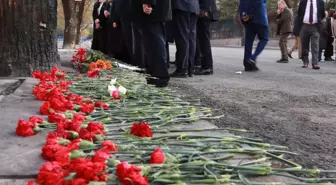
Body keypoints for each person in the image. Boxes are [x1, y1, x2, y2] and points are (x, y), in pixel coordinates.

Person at [131, 0, 171, 87]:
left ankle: (159, 76)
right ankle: (154, 74)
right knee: (152, 43)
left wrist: (147, 2)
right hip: (155, 9)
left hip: (152, 9)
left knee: (155, 43)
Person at [171, 0, 200, 78]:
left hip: (181, 6)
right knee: (191, 38)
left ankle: (182, 68)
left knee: (182, 37)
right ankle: (190, 68)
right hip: (194, 7)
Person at [239, 0, 269, 71]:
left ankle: (247, 64)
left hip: (247, 19)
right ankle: (252, 59)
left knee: (248, 41)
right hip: (259, 17)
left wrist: (243, 15)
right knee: (264, 39)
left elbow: (242, 3)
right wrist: (250, 14)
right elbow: (258, 2)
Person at [297, 0, 325, 70]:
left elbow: (322, 14)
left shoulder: (320, 2)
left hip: (315, 26)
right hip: (304, 25)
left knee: (315, 45)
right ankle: (305, 61)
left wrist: (319, 22)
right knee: (304, 45)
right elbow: (299, 13)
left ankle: (315, 63)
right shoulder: (303, 2)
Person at [194, 0, 219, 75]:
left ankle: (207, 66)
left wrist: (204, 10)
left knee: (204, 40)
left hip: (205, 12)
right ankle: (205, 65)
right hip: (204, 11)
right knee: (202, 40)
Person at [113, 0, 133, 64]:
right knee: (128, 40)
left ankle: (135, 61)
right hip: (123, 15)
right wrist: (115, 19)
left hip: (130, 13)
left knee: (132, 40)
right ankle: (130, 60)